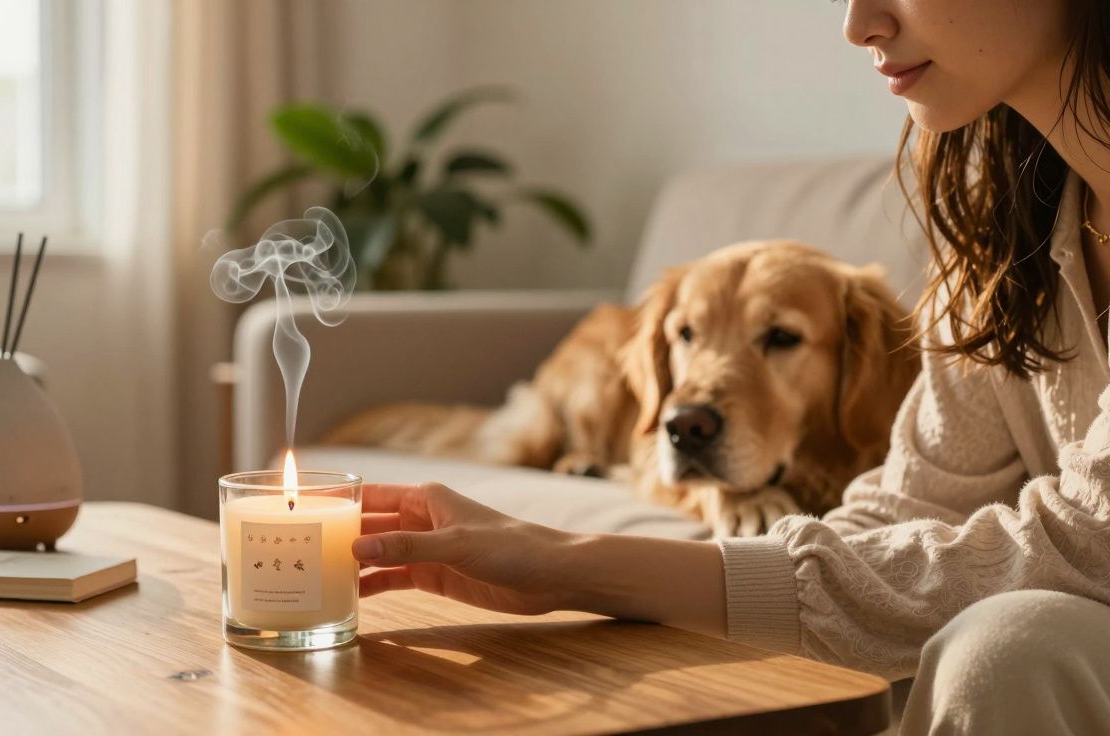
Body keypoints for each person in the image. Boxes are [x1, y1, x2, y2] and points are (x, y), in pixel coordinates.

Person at [350, 1, 1110, 733]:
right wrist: (566, 571)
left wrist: (571, 563)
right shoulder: (1003, 242)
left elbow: (1085, 547)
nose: (857, 25)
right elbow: (915, 509)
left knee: (1009, 650)